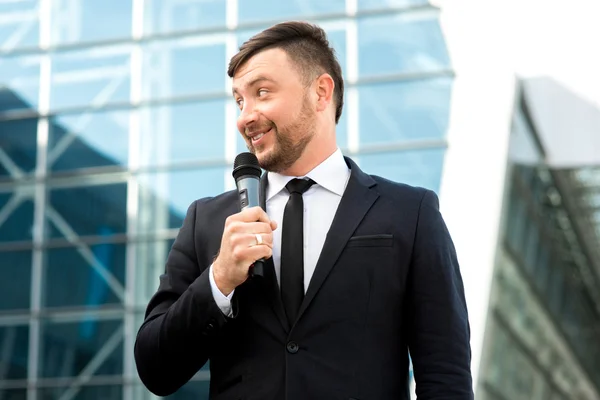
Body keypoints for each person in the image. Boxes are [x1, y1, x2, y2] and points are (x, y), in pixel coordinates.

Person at [134, 21, 474, 400]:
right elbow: (154, 368)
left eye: (262, 92)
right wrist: (219, 279)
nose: (245, 116)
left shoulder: (411, 213)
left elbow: (446, 377)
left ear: (321, 93)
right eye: (239, 100)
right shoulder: (207, 221)